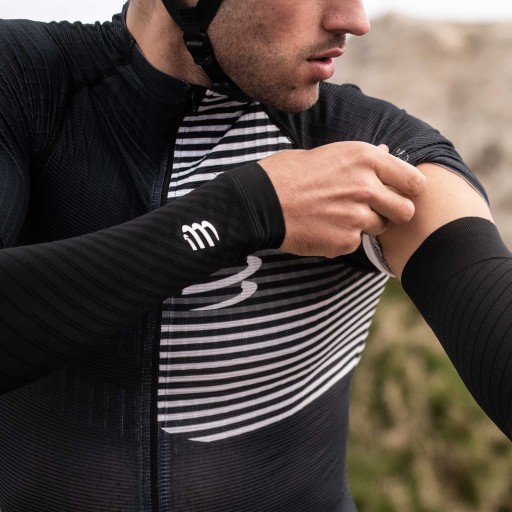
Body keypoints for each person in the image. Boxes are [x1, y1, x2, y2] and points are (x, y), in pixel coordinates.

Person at [0, 0, 509, 510]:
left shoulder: (366, 146)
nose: (354, 20)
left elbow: (480, 281)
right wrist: (244, 212)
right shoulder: (25, 81)